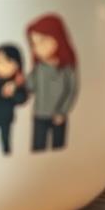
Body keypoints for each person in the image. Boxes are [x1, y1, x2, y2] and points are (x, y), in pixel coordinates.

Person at [25, 15, 78, 152]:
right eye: (33, 44)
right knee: (38, 146)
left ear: (57, 39)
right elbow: (30, 86)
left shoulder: (67, 70)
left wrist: (62, 111)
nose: (37, 48)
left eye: (42, 41)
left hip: (58, 115)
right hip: (40, 114)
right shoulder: (39, 68)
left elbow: (71, 91)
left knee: (58, 146)